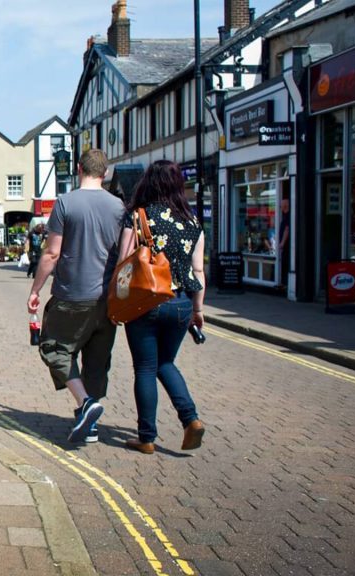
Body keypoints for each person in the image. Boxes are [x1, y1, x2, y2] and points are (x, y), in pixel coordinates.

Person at [27, 149, 125, 445]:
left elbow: (52, 253)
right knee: (97, 361)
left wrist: (35, 290)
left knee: (54, 347)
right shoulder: (120, 206)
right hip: (108, 299)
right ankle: (91, 426)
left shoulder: (66, 203)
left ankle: (85, 404)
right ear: (105, 173)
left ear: (79, 168)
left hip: (71, 296)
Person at [118, 160, 206, 454]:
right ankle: (190, 419)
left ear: (148, 184)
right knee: (165, 363)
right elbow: (199, 271)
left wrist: (117, 302)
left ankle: (146, 438)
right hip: (181, 303)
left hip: (146, 301)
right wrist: (198, 310)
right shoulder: (192, 222)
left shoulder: (138, 217)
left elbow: (124, 262)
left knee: (145, 367)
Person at [278, 196, 290, 288]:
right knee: (284, 263)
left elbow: (287, 229)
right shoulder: (285, 216)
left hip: (287, 246)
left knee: (286, 263)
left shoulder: (288, 216)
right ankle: (284, 283)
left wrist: (282, 243)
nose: (280, 206)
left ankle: (285, 283)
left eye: (281, 204)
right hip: (285, 246)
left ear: (285, 205)